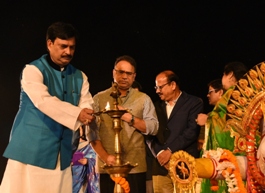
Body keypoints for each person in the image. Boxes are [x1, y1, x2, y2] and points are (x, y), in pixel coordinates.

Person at [0, 22, 97, 193]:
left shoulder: (80, 76)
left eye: (72, 47)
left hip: (63, 154)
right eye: (63, 46)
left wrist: (88, 112)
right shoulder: (32, 70)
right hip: (31, 152)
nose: (68, 52)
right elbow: (43, 101)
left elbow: (86, 102)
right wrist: (78, 113)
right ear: (49, 44)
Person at [91, 55, 158, 193]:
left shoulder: (143, 98)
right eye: (121, 72)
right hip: (108, 167)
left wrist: (130, 118)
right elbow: (91, 133)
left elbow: (154, 127)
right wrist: (105, 157)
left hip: (135, 166)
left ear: (134, 76)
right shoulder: (99, 98)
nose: (124, 77)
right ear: (113, 73)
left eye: (129, 73)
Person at [150, 70, 204, 193]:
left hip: (184, 166)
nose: (157, 91)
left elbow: (191, 132)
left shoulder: (194, 103)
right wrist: (159, 154)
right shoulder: (154, 106)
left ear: (173, 85)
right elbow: (148, 134)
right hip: (161, 166)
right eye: (156, 87)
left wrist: (169, 151)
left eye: (160, 87)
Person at [198, 62, 247, 193]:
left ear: (230, 75)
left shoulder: (232, 93)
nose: (222, 79)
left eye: (223, 75)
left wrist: (207, 120)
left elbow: (221, 120)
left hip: (232, 153)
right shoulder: (247, 93)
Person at [196, 79, 223, 151]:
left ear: (220, 92)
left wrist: (208, 120)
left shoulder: (231, 113)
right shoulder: (209, 115)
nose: (207, 95)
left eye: (210, 92)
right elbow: (201, 144)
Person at [72, 126, 100, 193]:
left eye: (79, 128)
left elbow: (96, 162)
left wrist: (87, 161)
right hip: (69, 178)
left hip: (82, 180)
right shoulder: (66, 146)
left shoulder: (89, 146)